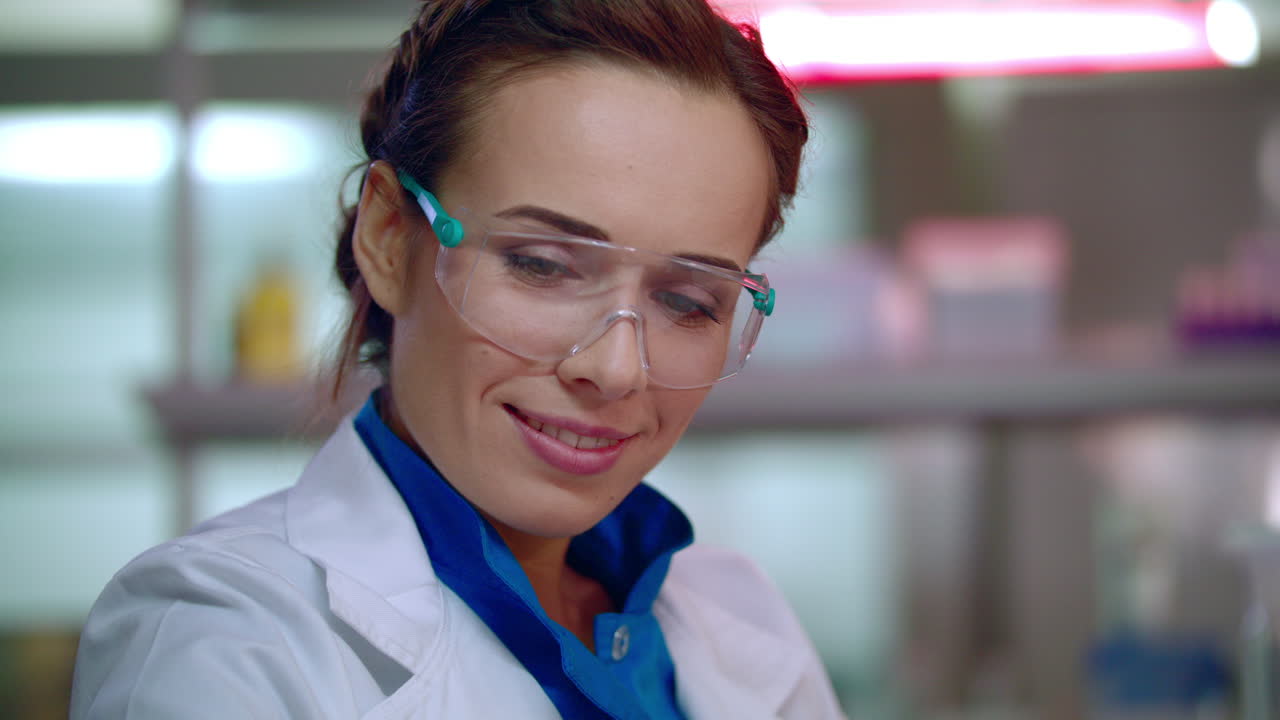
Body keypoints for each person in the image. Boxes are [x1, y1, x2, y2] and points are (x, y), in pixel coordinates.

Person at [71, 0, 844, 717]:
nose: (615, 370)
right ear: (388, 237)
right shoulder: (222, 639)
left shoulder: (741, 618)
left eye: (688, 301)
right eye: (544, 263)